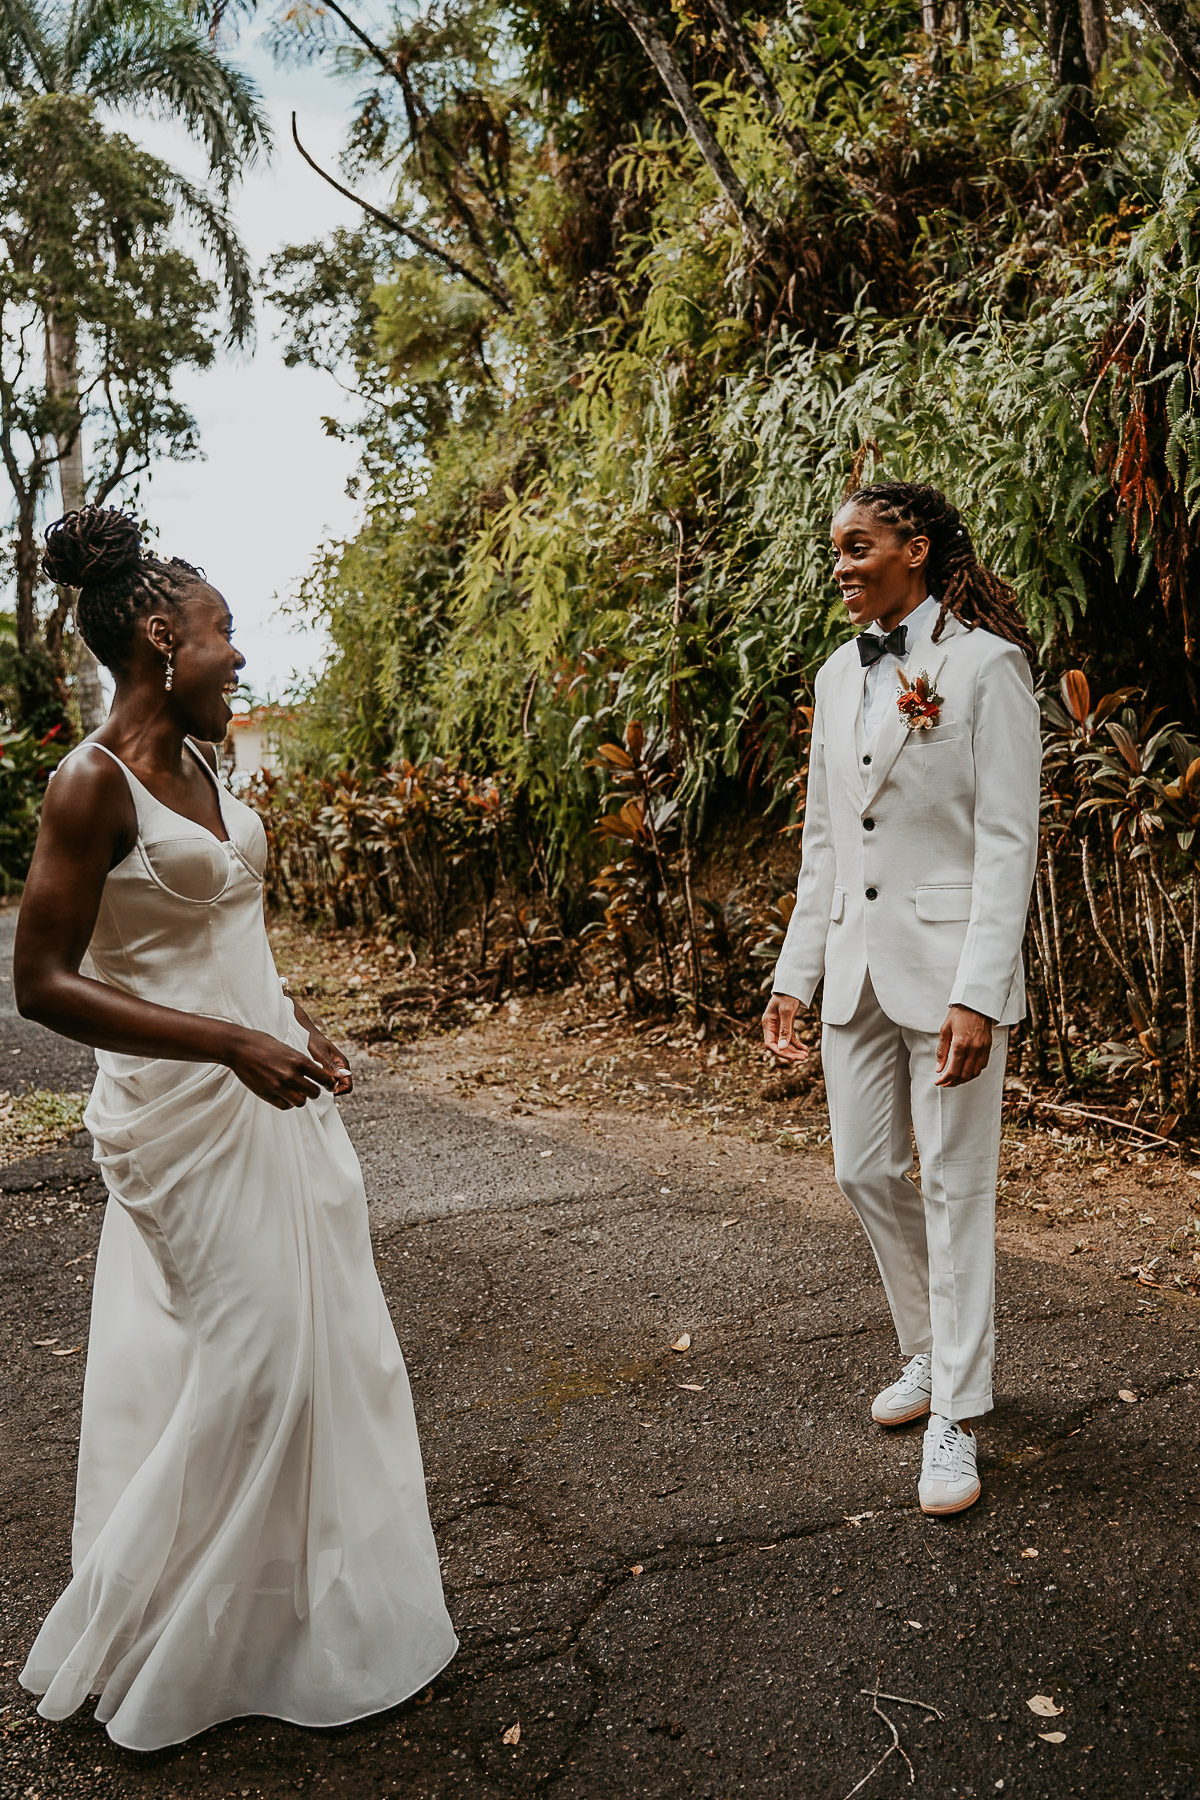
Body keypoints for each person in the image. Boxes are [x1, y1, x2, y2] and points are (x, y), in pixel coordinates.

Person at [14, 507, 457, 1750]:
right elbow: (40, 982)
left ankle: (298, 1629)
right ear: (161, 641)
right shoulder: (87, 785)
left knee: (328, 1350)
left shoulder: (211, 766)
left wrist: (295, 1025)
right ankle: (159, 1633)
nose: (241, 659)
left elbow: (230, 939)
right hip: (177, 1117)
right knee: (257, 1360)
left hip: (276, 1092)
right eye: (225, 636)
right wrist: (227, 1044)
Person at [762, 481, 1041, 1517]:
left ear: (914, 550)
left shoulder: (986, 668)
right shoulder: (841, 675)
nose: (840, 564)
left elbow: (1009, 844)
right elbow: (827, 841)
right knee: (864, 1169)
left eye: (858, 546)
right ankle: (928, 1347)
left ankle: (957, 1414)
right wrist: (798, 972)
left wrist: (980, 992)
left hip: (951, 973)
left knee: (954, 1187)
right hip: (855, 969)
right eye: (834, 548)